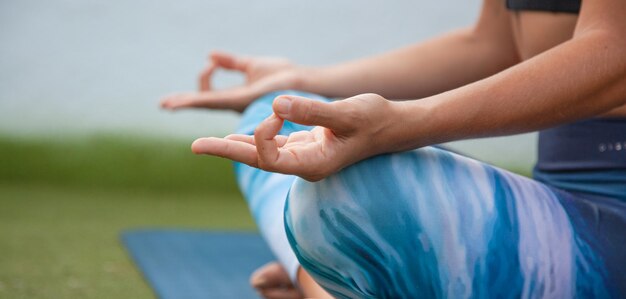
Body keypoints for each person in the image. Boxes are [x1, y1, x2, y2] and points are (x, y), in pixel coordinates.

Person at [161, 0, 626, 297]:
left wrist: (399, 125)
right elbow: (494, 43)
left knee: (357, 188)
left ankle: (325, 282)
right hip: (564, 204)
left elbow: (616, 54)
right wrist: (303, 84)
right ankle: (342, 273)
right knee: (276, 119)